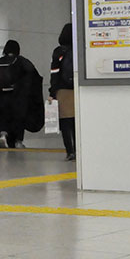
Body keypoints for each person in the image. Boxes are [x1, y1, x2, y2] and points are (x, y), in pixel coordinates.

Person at [0, 40, 43, 149]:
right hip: (18, 97)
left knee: (3, 116)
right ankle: (18, 141)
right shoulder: (22, 61)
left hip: (0, 96)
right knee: (19, 118)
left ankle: (3, 134)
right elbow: (34, 75)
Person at [49, 23, 77, 160]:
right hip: (77, 90)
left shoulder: (58, 52)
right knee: (77, 123)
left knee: (65, 123)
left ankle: (70, 151)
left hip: (62, 91)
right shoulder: (79, 50)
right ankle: (79, 150)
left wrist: (52, 93)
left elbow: (54, 74)